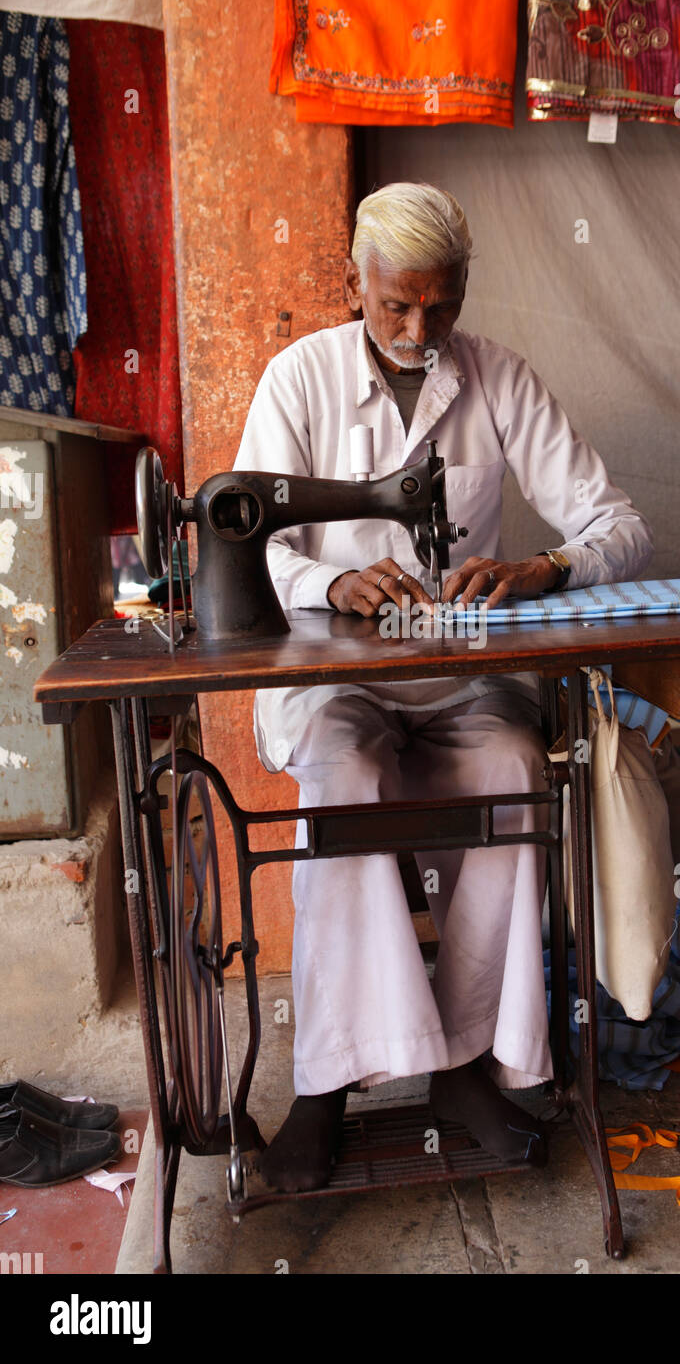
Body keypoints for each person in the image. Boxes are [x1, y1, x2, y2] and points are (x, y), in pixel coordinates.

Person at [234, 182, 654, 1191]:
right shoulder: (295, 383)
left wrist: (541, 568)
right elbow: (252, 548)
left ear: (464, 294)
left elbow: (620, 527)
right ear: (354, 285)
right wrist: (331, 580)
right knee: (341, 782)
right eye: (396, 307)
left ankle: (463, 1062)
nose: (422, 330)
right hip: (336, 683)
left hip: (463, 687)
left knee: (516, 772)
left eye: (443, 307)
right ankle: (327, 1081)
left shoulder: (499, 380)